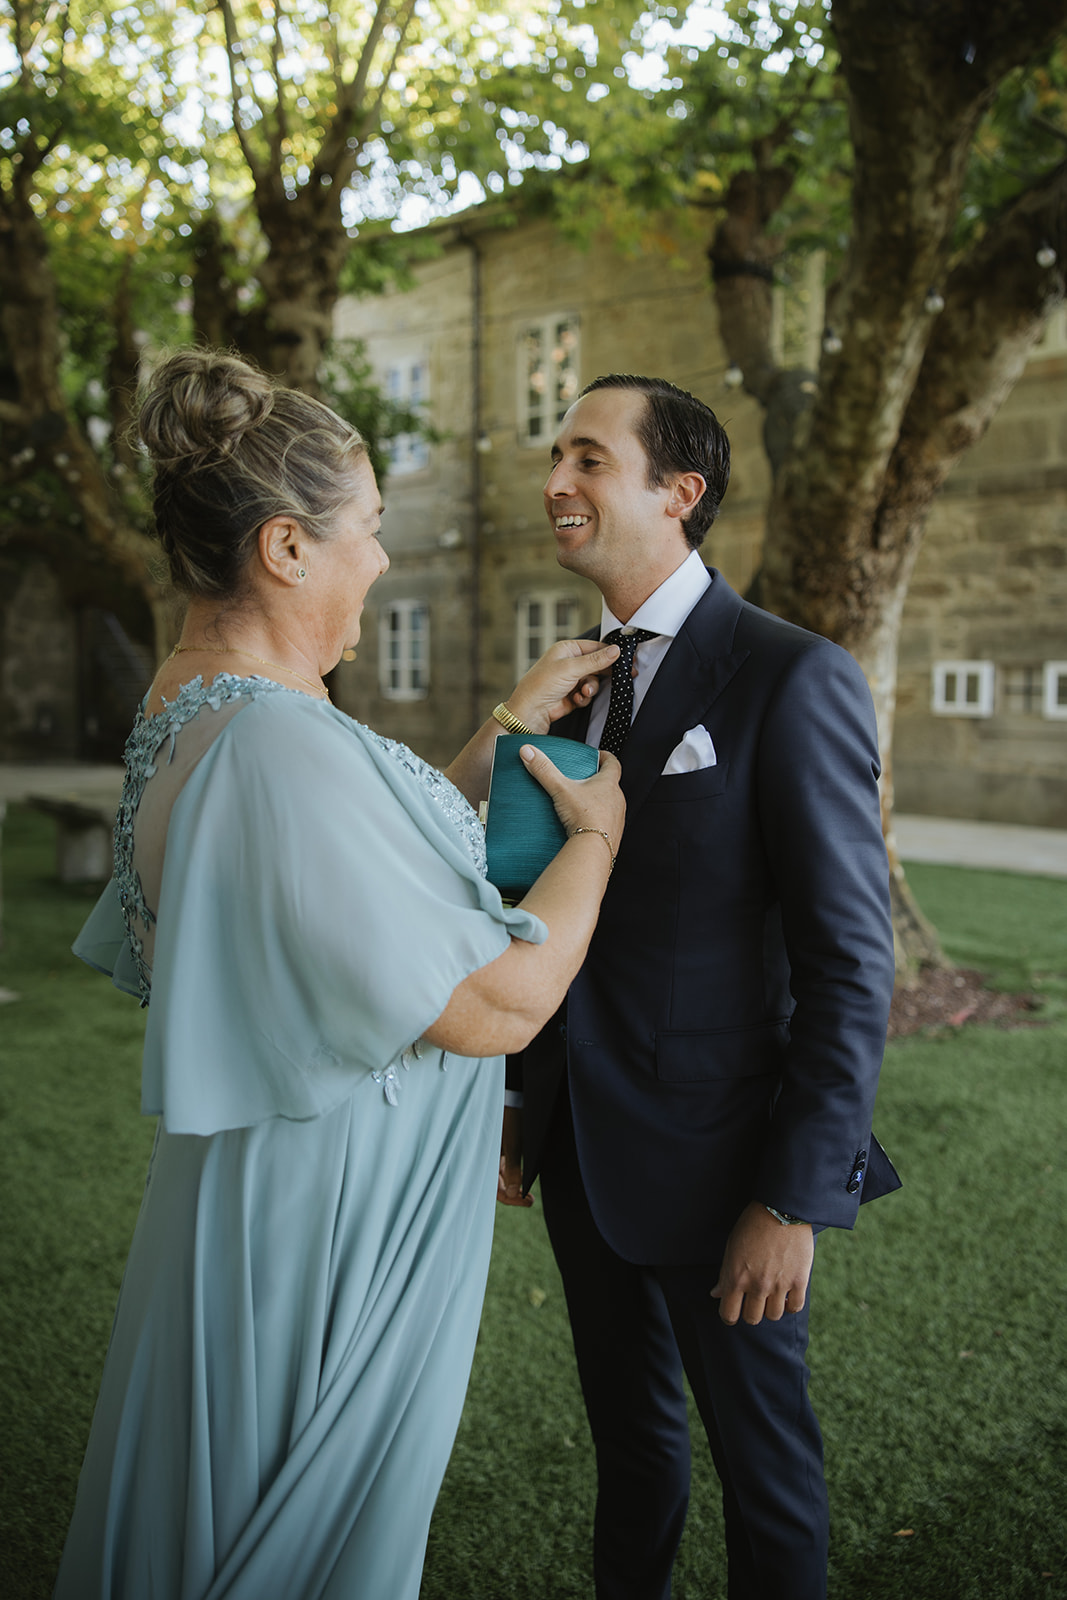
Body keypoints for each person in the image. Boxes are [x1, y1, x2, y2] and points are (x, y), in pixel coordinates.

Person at [53, 348, 625, 1600]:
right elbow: (493, 1003)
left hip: (262, 1189)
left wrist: (503, 731)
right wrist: (593, 842)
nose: (378, 558)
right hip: (331, 1217)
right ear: (285, 548)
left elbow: (365, 860)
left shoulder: (200, 702)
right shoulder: (273, 742)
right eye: (367, 531)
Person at [500, 374, 901, 1600]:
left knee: (763, 1474)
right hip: (577, 1146)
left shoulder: (791, 675)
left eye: (586, 459)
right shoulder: (573, 676)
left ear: (679, 494)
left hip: (727, 1165)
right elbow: (564, 909)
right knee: (630, 1455)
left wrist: (793, 1198)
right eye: (554, 457)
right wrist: (525, 1102)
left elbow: (848, 960)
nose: (555, 483)